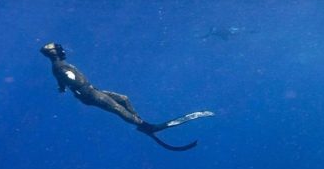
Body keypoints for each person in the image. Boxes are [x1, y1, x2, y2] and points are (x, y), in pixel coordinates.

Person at [40, 42, 213, 151]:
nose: (61, 49)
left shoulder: (60, 65)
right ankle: (147, 126)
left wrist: (62, 87)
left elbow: (60, 81)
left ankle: (140, 122)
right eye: (56, 48)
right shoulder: (59, 67)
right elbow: (67, 78)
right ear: (54, 52)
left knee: (123, 98)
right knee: (117, 108)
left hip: (92, 90)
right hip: (88, 94)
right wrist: (71, 84)